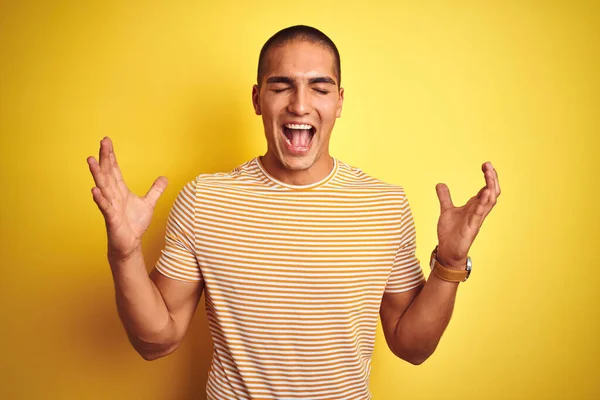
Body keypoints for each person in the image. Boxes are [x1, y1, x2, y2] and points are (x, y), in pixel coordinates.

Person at [87, 25, 500, 400]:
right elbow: (155, 341)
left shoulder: (384, 206)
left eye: (319, 88)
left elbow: (412, 347)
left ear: (339, 102)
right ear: (257, 98)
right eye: (281, 86)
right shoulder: (205, 200)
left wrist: (449, 263)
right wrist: (124, 255)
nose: (300, 105)